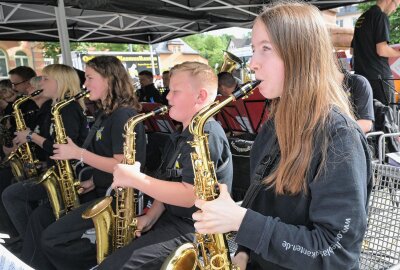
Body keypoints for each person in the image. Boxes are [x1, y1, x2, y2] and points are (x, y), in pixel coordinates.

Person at [192, 3, 372, 270]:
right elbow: (264, 209)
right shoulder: (273, 127)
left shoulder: (339, 137)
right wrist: (244, 251)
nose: (252, 63)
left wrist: (241, 221)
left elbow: (336, 254)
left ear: (301, 54)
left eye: (266, 48)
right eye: (254, 49)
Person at [97, 61, 233, 270]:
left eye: (174, 91)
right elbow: (169, 182)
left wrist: (136, 179)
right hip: (173, 220)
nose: (167, 97)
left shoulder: (207, 134)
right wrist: (150, 216)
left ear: (201, 96)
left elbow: (189, 195)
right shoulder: (180, 135)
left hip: (196, 230)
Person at [40, 56, 146, 270]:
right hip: (102, 189)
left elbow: (123, 166)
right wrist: (92, 179)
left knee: (52, 239)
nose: (85, 84)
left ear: (109, 79)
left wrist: (78, 153)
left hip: (118, 200)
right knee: (45, 224)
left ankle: (102, 259)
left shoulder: (123, 115)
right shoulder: (106, 113)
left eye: (89, 77)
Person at [1, 64, 88, 268]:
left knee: (12, 194)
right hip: (53, 171)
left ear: (60, 81)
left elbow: (61, 147)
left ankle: (31, 248)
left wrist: (31, 136)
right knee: (23, 202)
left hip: (68, 177)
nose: (40, 83)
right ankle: (31, 246)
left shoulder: (67, 108)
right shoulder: (54, 107)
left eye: (45, 79)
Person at [351, 0, 400, 105]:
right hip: (379, 78)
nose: (395, 9)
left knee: (365, 116)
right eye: (395, 5)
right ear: (388, 0)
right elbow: (382, 50)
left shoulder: (362, 18)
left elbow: (352, 50)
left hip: (361, 78)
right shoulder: (380, 16)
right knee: (387, 117)